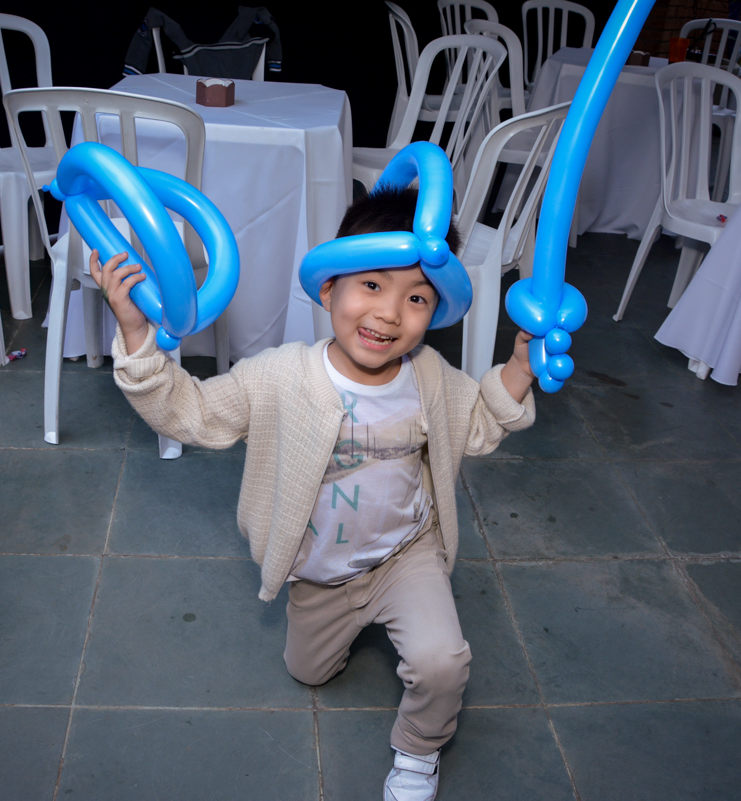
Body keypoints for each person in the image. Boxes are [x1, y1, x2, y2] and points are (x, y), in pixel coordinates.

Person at [93, 184, 536, 801]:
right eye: (372, 286)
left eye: (416, 299)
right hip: (320, 573)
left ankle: (418, 750)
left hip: (405, 554)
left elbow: (480, 425)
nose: (388, 314)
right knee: (309, 672)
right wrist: (137, 332)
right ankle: (350, 626)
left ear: (433, 316)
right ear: (329, 289)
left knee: (442, 663)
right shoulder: (277, 375)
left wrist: (521, 368)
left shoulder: (431, 377)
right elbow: (190, 413)